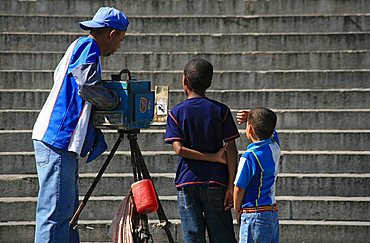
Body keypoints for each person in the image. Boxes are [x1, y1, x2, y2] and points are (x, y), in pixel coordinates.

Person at [31, 7, 129, 243]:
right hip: (58, 138)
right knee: (54, 215)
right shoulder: (89, 47)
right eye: (121, 40)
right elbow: (87, 86)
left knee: (66, 213)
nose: (118, 47)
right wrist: (115, 100)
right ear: (112, 33)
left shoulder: (77, 46)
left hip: (58, 140)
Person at [164, 58, 240, 243]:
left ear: (184, 82)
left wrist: (213, 157)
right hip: (217, 182)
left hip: (187, 182)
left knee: (192, 235)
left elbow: (179, 149)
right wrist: (231, 185)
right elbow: (231, 149)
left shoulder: (176, 112)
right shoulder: (221, 110)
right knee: (222, 234)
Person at [233, 107, 281, 243]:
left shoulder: (249, 157)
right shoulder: (275, 147)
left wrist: (237, 211)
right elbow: (273, 132)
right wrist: (254, 116)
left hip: (253, 214)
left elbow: (239, 187)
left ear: (250, 130)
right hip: (271, 213)